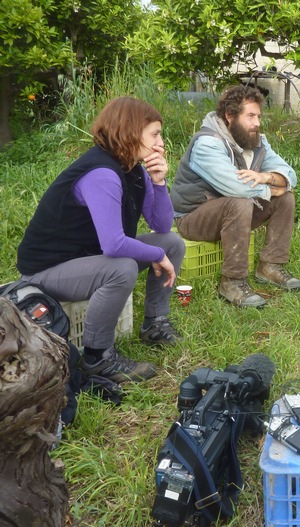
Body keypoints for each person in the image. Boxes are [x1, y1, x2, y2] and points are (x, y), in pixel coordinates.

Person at [17, 97, 185, 384]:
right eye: (155, 134)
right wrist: (155, 256)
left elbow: (161, 225)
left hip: (86, 257)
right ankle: (98, 356)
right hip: (47, 269)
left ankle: (155, 323)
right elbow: (114, 245)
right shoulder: (102, 173)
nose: (161, 141)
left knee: (171, 242)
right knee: (121, 268)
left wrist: (159, 183)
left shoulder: (133, 169)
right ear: (131, 132)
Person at [171, 85, 300, 308]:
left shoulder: (257, 141)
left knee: (285, 198)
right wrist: (272, 188)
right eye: (250, 116)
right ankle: (232, 281)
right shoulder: (207, 143)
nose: (257, 123)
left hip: (233, 211)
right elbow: (238, 188)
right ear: (230, 116)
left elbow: (289, 175)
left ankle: (270, 266)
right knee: (240, 201)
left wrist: (269, 178)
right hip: (192, 217)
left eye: (259, 116)